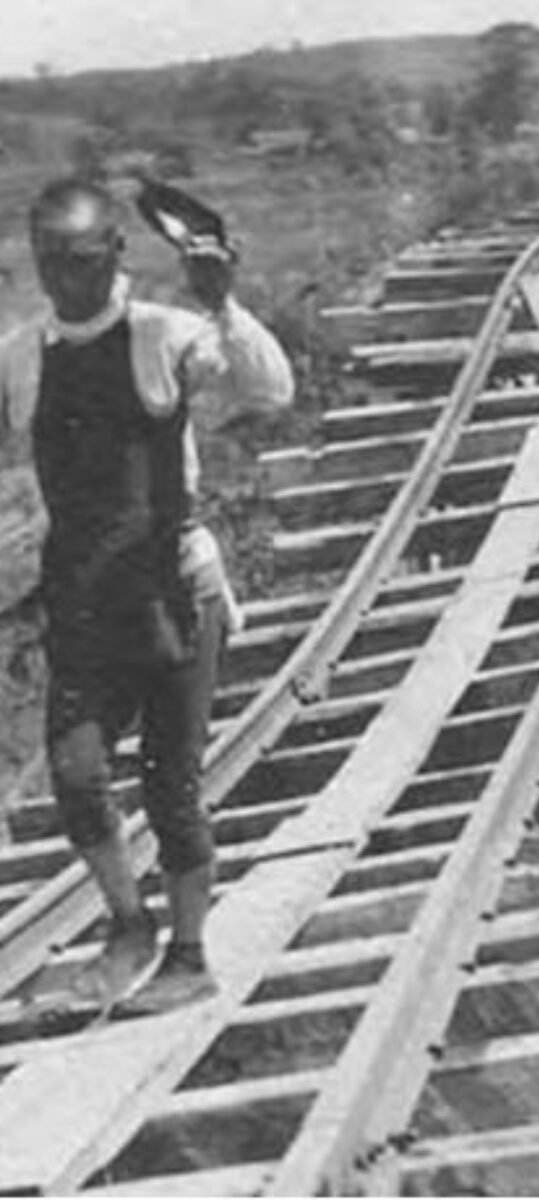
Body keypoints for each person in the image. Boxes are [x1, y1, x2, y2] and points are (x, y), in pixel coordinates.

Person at [0, 177, 293, 1014]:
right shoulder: (22, 355)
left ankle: (190, 955)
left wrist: (225, 303)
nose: (68, 280)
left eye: (85, 262)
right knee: (77, 774)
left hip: (174, 591)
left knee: (171, 785)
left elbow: (270, 392)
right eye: (52, 263)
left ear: (117, 255)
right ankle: (128, 925)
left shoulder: (167, 335)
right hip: (85, 600)